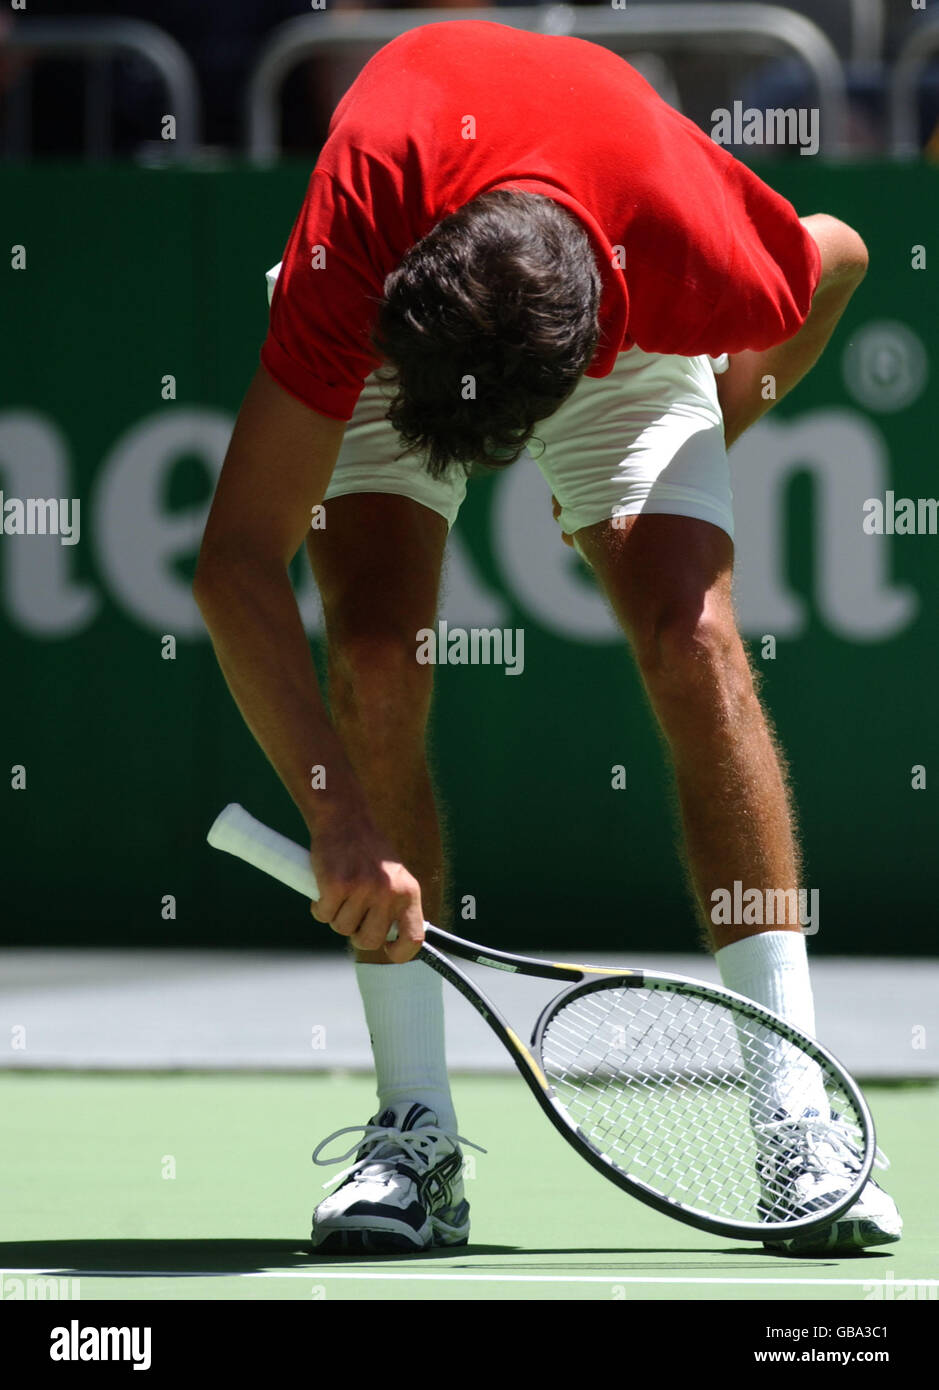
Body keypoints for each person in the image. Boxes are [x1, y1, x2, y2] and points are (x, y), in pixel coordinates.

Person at [194, 20, 900, 1256]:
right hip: (413, 270)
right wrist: (336, 817)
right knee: (372, 662)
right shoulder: (357, 242)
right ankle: (415, 1136)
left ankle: (798, 1116)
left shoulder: (696, 242)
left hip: (616, 288)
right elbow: (234, 565)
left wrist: (725, 420)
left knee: (697, 639)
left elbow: (840, 260)